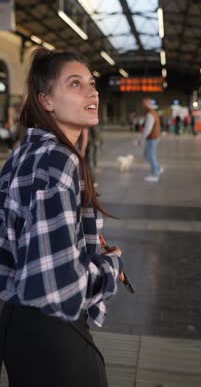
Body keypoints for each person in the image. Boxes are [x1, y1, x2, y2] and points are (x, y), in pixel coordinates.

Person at [0, 48, 124, 387]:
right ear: (47, 101)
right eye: (74, 84)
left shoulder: (24, 154)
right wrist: (111, 267)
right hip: (53, 335)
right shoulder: (57, 162)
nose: (92, 92)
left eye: (92, 83)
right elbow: (59, 287)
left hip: (17, 324)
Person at [142, 98, 164, 182]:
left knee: (151, 155)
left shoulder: (150, 114)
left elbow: (148, 129)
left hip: (152, 138)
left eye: (144, 104)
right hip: (155, 137)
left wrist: (142, 139)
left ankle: (155, 174)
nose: (142, 106)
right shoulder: (154, 113)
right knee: (148, 155)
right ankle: (158, 168)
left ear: (147, 104)